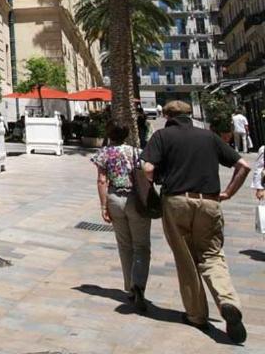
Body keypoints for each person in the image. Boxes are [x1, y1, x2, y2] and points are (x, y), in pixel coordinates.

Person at [142, 100, 251, 343]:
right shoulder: (208, 137)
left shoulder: (162, 135)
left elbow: (148, 168)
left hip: (177, 201)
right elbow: (243, 165)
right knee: (212, 255)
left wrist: (151, 185)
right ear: (190, 115)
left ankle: (196, 315)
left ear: (167, 115)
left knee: (186, 258)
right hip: (210, 201)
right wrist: (229, 192)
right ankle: (227, 301)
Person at [92, 124, 151, 311]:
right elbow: (148, 171)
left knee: (124, 245)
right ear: (126, 135)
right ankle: (139, 285)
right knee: (141, 246)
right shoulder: (136, 152)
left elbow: (102, 180)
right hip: (135, 199)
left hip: (114, 198)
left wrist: (103, 206)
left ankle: (130, 287)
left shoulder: (104, 153)